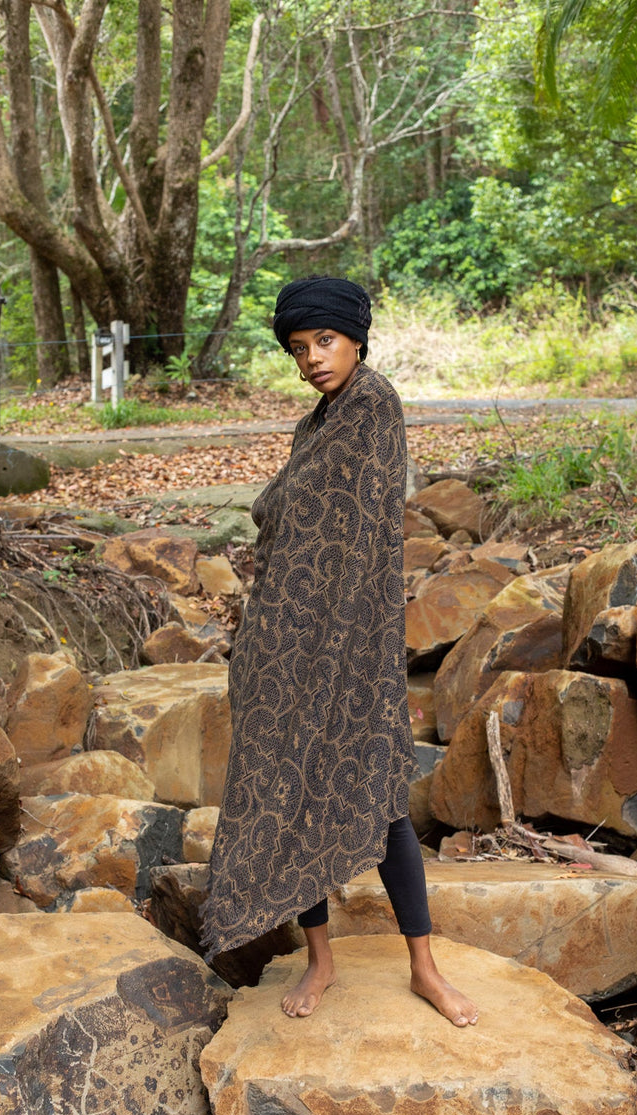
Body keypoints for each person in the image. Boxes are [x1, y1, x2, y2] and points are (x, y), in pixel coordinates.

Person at [200, 276, 478, 1028]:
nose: (313, 359)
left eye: (324, 341)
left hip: (352, 645)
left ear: (357, 339)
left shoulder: (373, 406)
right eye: (299, 348)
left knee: (379, 795)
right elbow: (293, 525)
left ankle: (424, 967)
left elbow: (359, 533)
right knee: (287, 790)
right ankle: (320, 960)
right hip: (281, 647)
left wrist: (341, 649)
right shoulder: (313, 424)